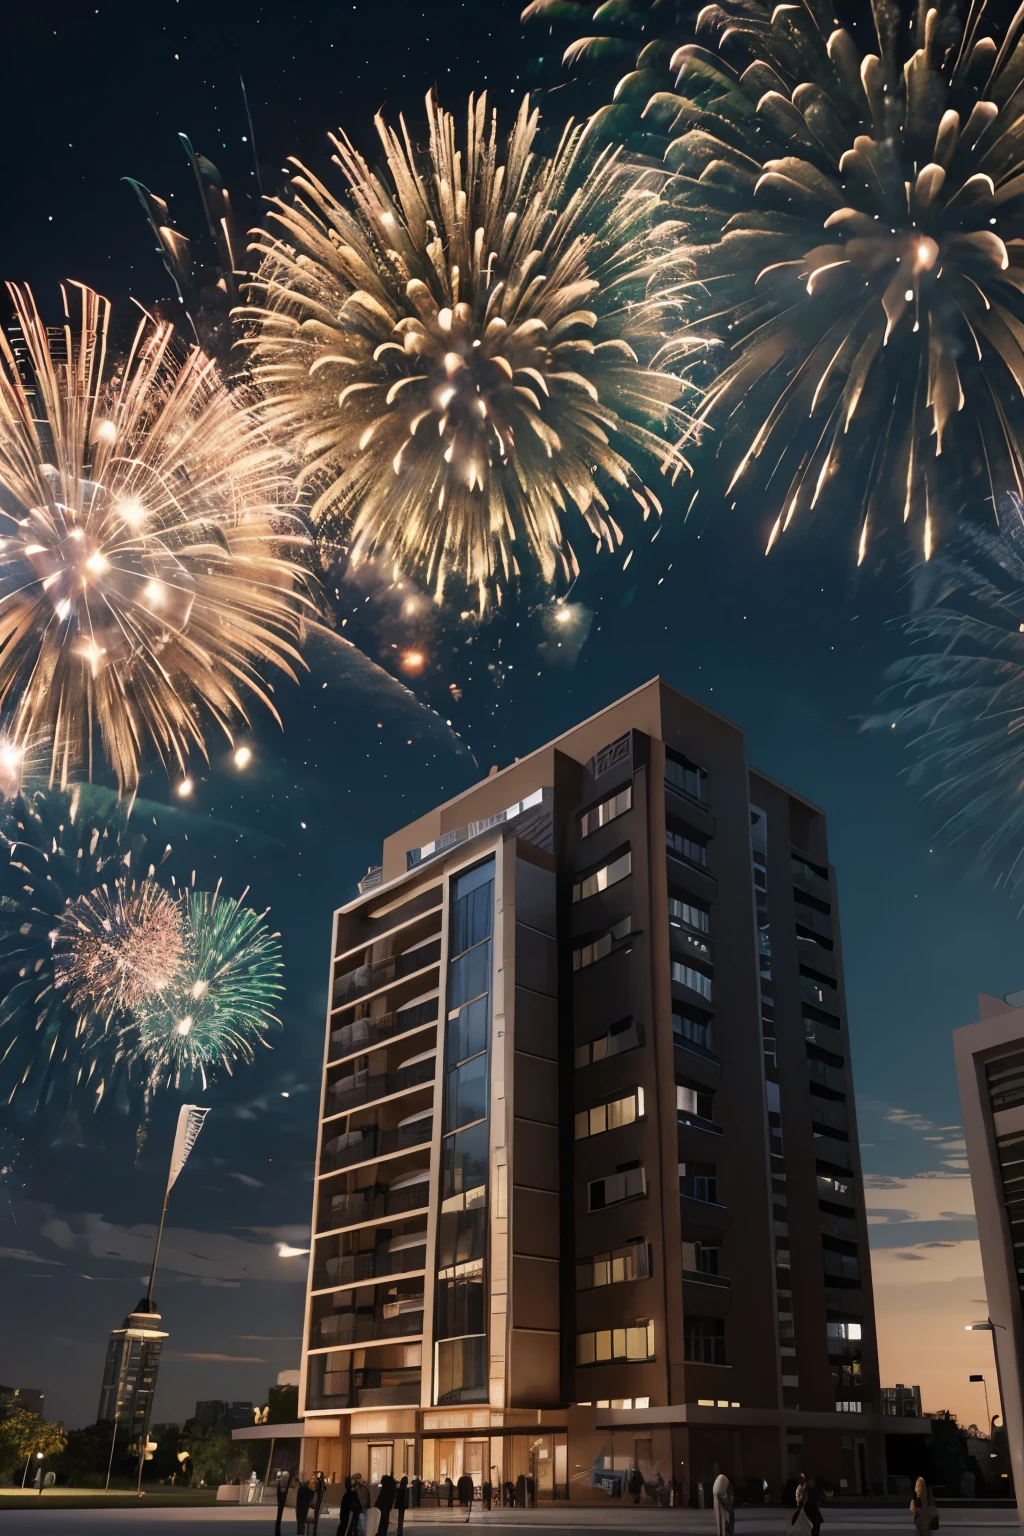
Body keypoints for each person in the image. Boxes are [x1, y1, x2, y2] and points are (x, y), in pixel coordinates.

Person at [712, 1472, 734, 1536]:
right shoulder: (727, 1483)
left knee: (719, 1514)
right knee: (722, 1516)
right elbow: (729, 1495)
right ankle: (723, 1533)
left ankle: (724, 1530)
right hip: (720, 1493)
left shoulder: (723, 1479)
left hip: (716, 1492)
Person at [276, 1471, 294, 1536]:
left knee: (279, 1513)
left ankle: (278, 1531)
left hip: (282, 1493)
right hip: (284, 1493)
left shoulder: (284, 1475)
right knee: (280, 1513)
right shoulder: (287, 1475)